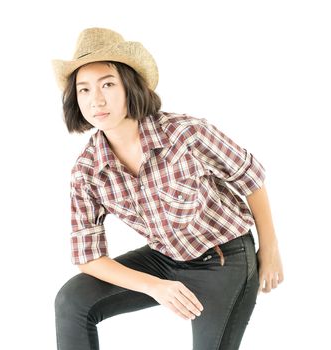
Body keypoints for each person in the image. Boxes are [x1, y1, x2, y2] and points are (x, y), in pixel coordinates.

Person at [51, 27, 284, 350]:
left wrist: (269, 250)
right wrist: (155, 286)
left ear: (130, 86)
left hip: (224, 259)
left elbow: (250, 178)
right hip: (165, 260)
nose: (97, 100)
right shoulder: (87, 171)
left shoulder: (185, 134)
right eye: (84, 90)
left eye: (107, 84)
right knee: (72, 299)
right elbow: (88, 257)